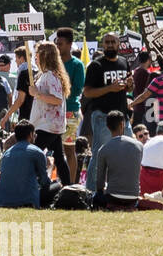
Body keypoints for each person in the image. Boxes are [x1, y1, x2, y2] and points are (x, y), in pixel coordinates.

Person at [82, 33, 132, 194]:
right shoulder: (96, 65)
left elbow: (128, 88)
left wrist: (130, 86)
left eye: (113, 42)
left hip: (122, 116)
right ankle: (91, 192)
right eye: (107, 42)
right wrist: (109, 88)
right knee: (99, 154)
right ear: (102, 45)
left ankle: (120, 189)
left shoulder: (124, 62)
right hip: (102, 116)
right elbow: (88, 92)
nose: (110, 45)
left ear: (119, 44)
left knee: (127, 152)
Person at [29, 41, 70, 185]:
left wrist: (37, 94)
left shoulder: (50, 76)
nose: (35, 58)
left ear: (44, 55)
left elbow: (57, 100)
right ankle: (67, 185)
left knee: (33, 154)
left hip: (48, 125)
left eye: (37, 54)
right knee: (59, 157)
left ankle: (35, 184)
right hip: (50, 124)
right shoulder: (46, 75)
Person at [0, 120, 52, 208]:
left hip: (2, 200)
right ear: (31, 135)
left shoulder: (6, 153)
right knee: (57, 186)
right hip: (27, 200)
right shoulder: (37, 152)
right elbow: (44, 181)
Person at [93, 111, 146, 210]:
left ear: (107, 126)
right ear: (122, 124)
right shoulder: (139, 146)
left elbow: (99, 181)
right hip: (134, 196)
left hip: (113, 197)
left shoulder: (103, 149)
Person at [55, 28, 87, 183]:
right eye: (56, 43)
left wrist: (57, 92)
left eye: (60, 44)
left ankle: (72, 185)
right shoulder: (53, 64)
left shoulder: (77, 65)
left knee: (69, 150)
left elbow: (77, 89)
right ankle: (60, 182)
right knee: (56, 151)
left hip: (70, 112)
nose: (58, 47)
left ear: (70, 44)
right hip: (53, 111)